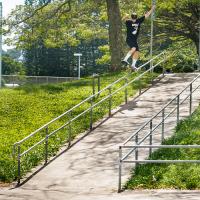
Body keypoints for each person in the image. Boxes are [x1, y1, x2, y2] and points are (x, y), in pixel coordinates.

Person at [122, 5, 156, 71]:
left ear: (136, 18)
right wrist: (125, 15)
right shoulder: (128, 22)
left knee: (137, 52)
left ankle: (133, 65)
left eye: (135, 19)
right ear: (131, 18)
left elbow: (147, 15)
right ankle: (125, 59)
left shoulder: (138, 21)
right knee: (134, 48)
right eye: (133, 19)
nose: (134, 20)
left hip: (134, 40)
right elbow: (123, 19)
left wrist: (152, 9)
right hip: (129, 39)